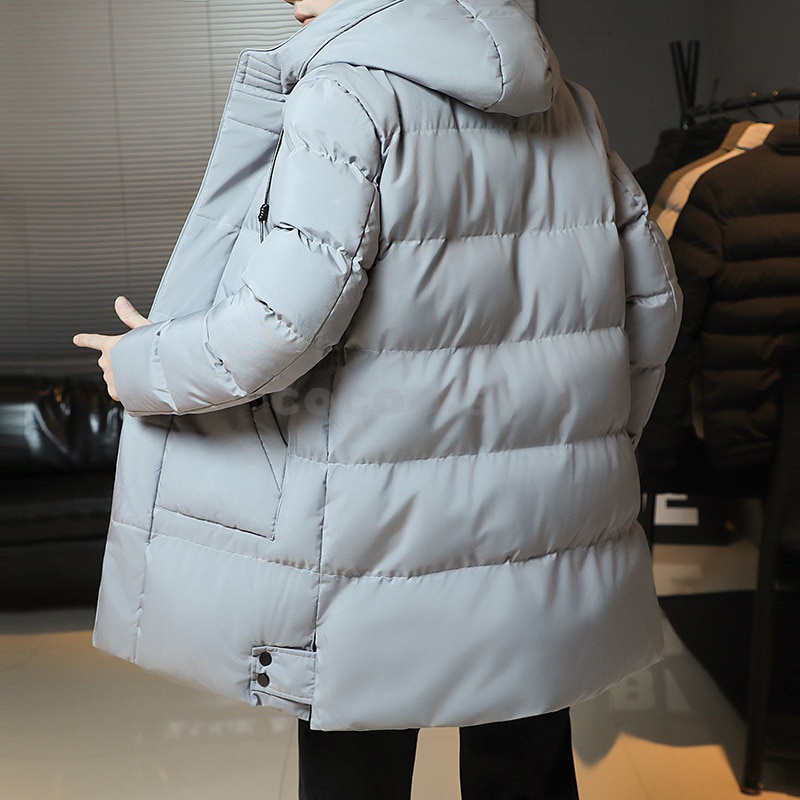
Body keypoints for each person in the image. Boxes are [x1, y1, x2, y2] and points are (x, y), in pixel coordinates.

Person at [73, 0, 682, 797]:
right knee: (526, 760)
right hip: (541, 524)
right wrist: (598, 445)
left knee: (358, 771)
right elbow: (655, 305)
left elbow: (282, 325)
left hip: (373, 539)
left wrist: (142, 365)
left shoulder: (347, 95)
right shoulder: (567, 105)